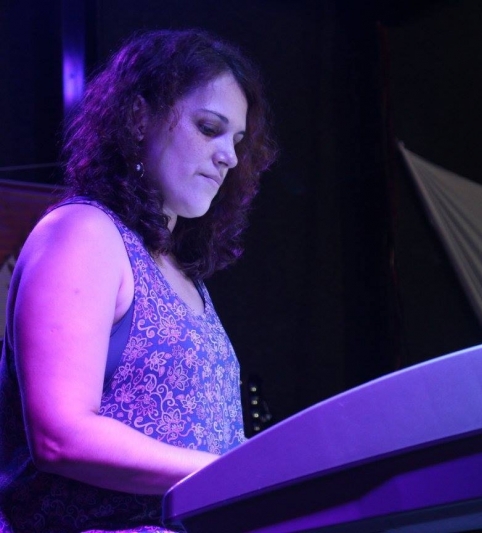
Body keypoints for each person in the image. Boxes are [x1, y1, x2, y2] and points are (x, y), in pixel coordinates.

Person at [0, 29, 277, 532]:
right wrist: (234, 475)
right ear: (137, 118)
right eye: (209, 128)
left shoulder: (181, 276)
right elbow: (61, 435)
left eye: (236, 141)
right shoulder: (83, 233)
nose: (229, 157)